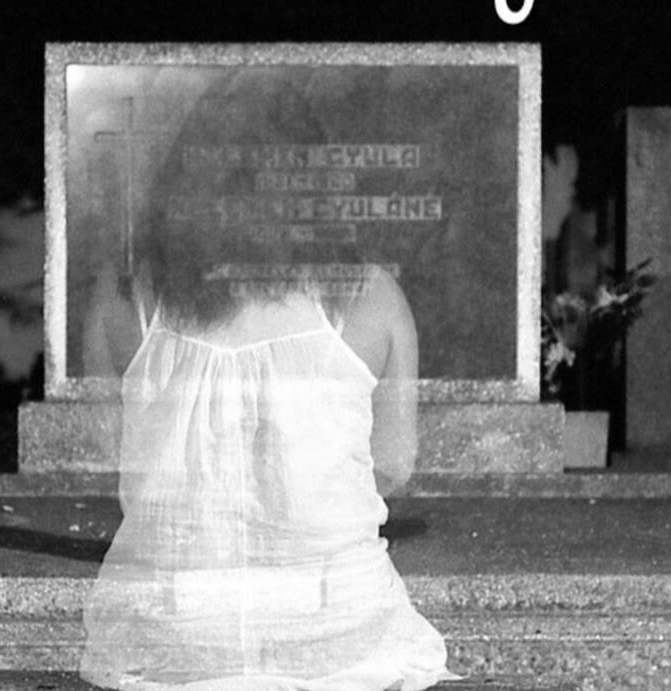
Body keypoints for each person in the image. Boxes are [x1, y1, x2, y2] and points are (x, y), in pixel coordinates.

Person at [76, 68, 456, 691]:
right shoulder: (370, 297)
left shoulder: (124, 297)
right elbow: (394, 464)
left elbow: (105, 452)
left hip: (173, 634)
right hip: (335, 631)